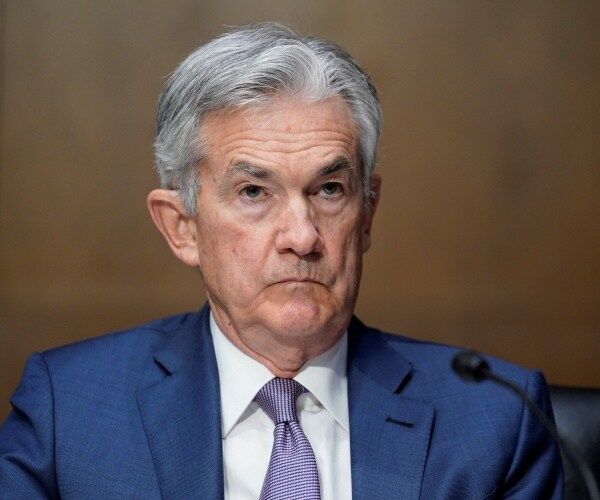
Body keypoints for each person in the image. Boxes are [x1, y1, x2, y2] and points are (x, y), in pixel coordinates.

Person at [0, 23, 562, 499]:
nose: (301, 236)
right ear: (182, 227)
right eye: (253, 192)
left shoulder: (494, 423)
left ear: (366, 215)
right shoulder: (66, 413)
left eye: (329, 190)